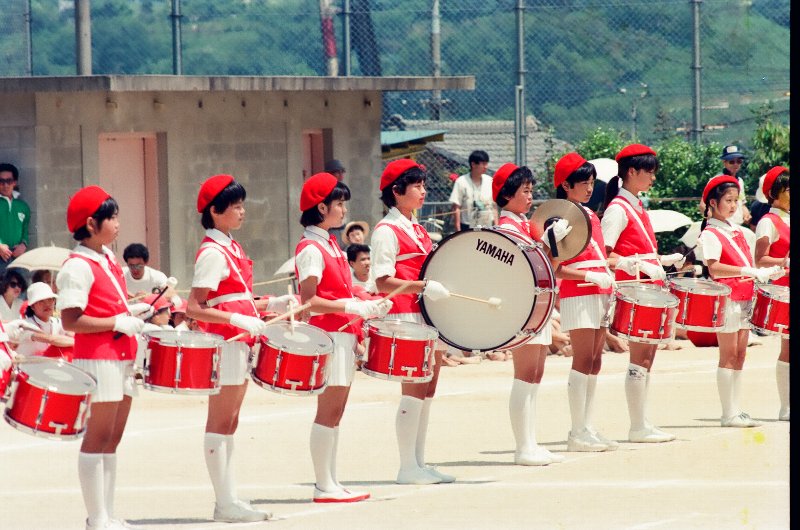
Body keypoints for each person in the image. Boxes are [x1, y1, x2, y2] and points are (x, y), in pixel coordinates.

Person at [185, 174, 294, 523]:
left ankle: (229, 496)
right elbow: (194, 307)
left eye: (242, 205)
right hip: (224, 342)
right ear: (215, 212)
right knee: (220, 420)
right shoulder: (213, 252)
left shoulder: (230, 246)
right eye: (235, 206)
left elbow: (238, 298)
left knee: (231, 421)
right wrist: (237, 320)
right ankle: (223, 502)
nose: (242, 211)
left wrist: (271, 304)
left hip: (239, 341)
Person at [56, 185, 153, 530]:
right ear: (91, 223)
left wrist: (134, 310)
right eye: (111, 218)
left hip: (121, 354)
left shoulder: (108, 258)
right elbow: (70, 320)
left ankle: (107, 514)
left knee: (113, 437)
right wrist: (116, 321)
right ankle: (96, 518)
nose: (118, 224)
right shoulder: (76, 265)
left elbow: (109, 303)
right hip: (98, 357)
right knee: (96, 437)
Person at [295, 172, 391, 502]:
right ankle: (324, 484)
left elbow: (343, 291)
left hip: (343, 334)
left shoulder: (330, 244)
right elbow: (309, 300)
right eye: (339, 203)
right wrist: (352, 305)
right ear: (321, 208)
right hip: (328, 335)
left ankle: (331, 480)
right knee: (329, 410)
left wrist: (368, 302)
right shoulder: (311, 248)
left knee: (337, 411)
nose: (344, 209)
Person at [369, 159, 455, 485]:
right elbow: (382, 281)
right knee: (413, 390)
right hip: (405, 313)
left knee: (428, 388)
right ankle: (407, 466)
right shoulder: (385, 231)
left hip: (423, 312)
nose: (423, 191)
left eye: (423, 185)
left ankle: (419, 461)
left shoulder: (416, 227)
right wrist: (422, 286)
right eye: (416, 186)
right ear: (396, 191)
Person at [601, 144, 685, 443]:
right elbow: (604, 257)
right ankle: (637, 426)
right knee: (639, 358)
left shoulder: (636, 206)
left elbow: (640, 250)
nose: (653, 177)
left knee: (648, 357)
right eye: (649, 171)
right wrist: (635, 264)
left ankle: (643, 422)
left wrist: (661, 260)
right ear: (632, 172)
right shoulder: (617, 210)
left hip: (647, 289)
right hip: (634, 292)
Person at [492, 162, 570, 466]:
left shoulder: (524, 224)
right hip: (521, 305)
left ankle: (531, 442)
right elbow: (520, 267)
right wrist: (546, 243)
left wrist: (551, 243)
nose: (530, 196)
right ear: (508, 194)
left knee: (535, 374)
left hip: (536, 303)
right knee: (524, 374)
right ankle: (523, 446)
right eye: (525, 191)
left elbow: (546, 265)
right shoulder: (506, 228)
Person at [697, 175, 784, 427]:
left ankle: (736, 408)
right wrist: (749, 272)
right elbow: (714, 269)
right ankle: (728, 412)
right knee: (728, 354)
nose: (734, 206)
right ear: (713, 203)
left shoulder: (735, 230)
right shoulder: (711, 232)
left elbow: (748, 263)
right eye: (728, 200)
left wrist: (766, 272)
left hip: (744, 296)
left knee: (740, 354)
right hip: (727, 298)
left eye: (736, 200)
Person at [553, 153, 618, 452]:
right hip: (578, 294)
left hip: (600, 292)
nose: (590, 189)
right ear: (565, 185)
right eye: (583, 183)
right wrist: (591, 275)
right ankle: (576, 431)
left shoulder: (591, 215)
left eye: (592, 183)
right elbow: (556, 268)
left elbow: (602, 258)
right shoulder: (558, 218)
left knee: (595, 360)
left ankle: (587, 426)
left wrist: (622, 266)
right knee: (581, 360)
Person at [753, 166, 790, 421]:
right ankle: (785, 405)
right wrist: (784, 263)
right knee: (788, 347)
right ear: (774, 194)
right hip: (785, 287)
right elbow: (759, 259)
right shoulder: (769, 221)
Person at [6, 282, 74, 358]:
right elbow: (51, 339)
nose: (47, 304)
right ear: (32, 306)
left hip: (49, 366)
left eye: (50, 300)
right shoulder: (25, 324)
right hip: (27, 367)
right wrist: (78, 342)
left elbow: (72, 334)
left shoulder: (57, 322)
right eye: (41, 301)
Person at [698, 145, 751, 226]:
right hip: (721, 226)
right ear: (724, 162)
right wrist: (715, 221)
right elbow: (703, 205)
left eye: (739, 161)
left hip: (737, 225)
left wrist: (746, 213)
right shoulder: (715, 180)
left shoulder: (740, 181)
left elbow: (741, 203)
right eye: (732, 162)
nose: (736, 164)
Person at [449, 150, 497, 231]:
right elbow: (456, 207)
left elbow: (494, 206)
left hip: (487, 226)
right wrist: (458, 229)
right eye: (483, 164)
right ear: (473, 164)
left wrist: (496, 226)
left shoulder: (490, 181)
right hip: (467, 226)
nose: (486, 167)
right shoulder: (461, 182)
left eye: (486, 163)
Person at [0, 163, 30, 275]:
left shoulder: (23, 207)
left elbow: (25, 231)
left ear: (14, 182)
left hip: (17, 257)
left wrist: (23, 245)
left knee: (19, 289)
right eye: (1, 181)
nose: (5, 185)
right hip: (1, 254)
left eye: (9, 181)